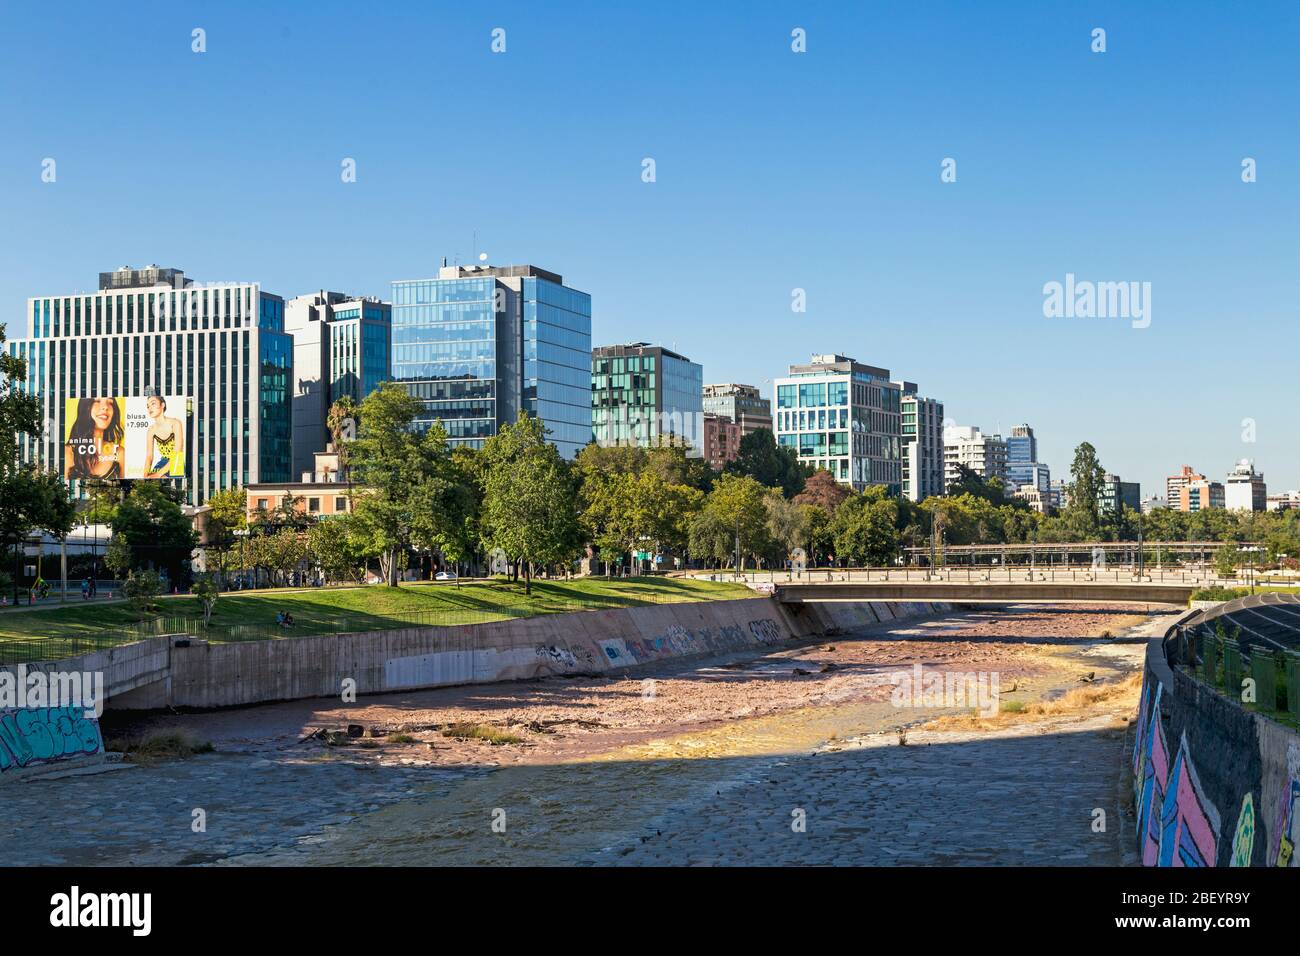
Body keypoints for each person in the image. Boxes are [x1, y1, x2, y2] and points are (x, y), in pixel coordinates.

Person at [64, 398, 125, 480]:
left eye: (110, 402)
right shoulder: (68, 453)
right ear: (85, 407)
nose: (106, 407)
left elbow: (127, 489)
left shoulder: (120, 453)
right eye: (97, 401)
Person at [142, 394, 185, 478]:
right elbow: (149, 456)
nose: (150, 408)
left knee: (162, 480)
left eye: (153, 404)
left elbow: (177, 452)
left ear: (162, 405)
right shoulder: (151, 430)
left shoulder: (175, 423)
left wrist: (158, 474)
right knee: (150, 481)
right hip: (163, 461)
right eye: (148, 406)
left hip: (176, 461)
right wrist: (144, 476)